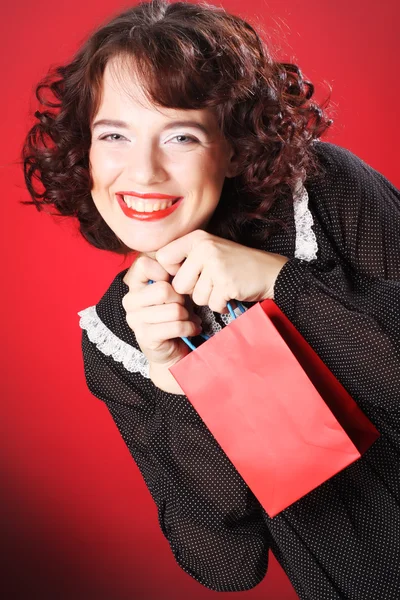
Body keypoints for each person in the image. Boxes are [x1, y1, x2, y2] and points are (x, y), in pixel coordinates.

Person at [21, 1, 400, 598]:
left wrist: (282, 283)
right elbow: (226, 565)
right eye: (114, 135)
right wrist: (175, 379)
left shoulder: (323, 194)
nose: (142, 173)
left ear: (232, 146)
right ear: (85, 153)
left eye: (180, 135)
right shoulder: (121, 336)